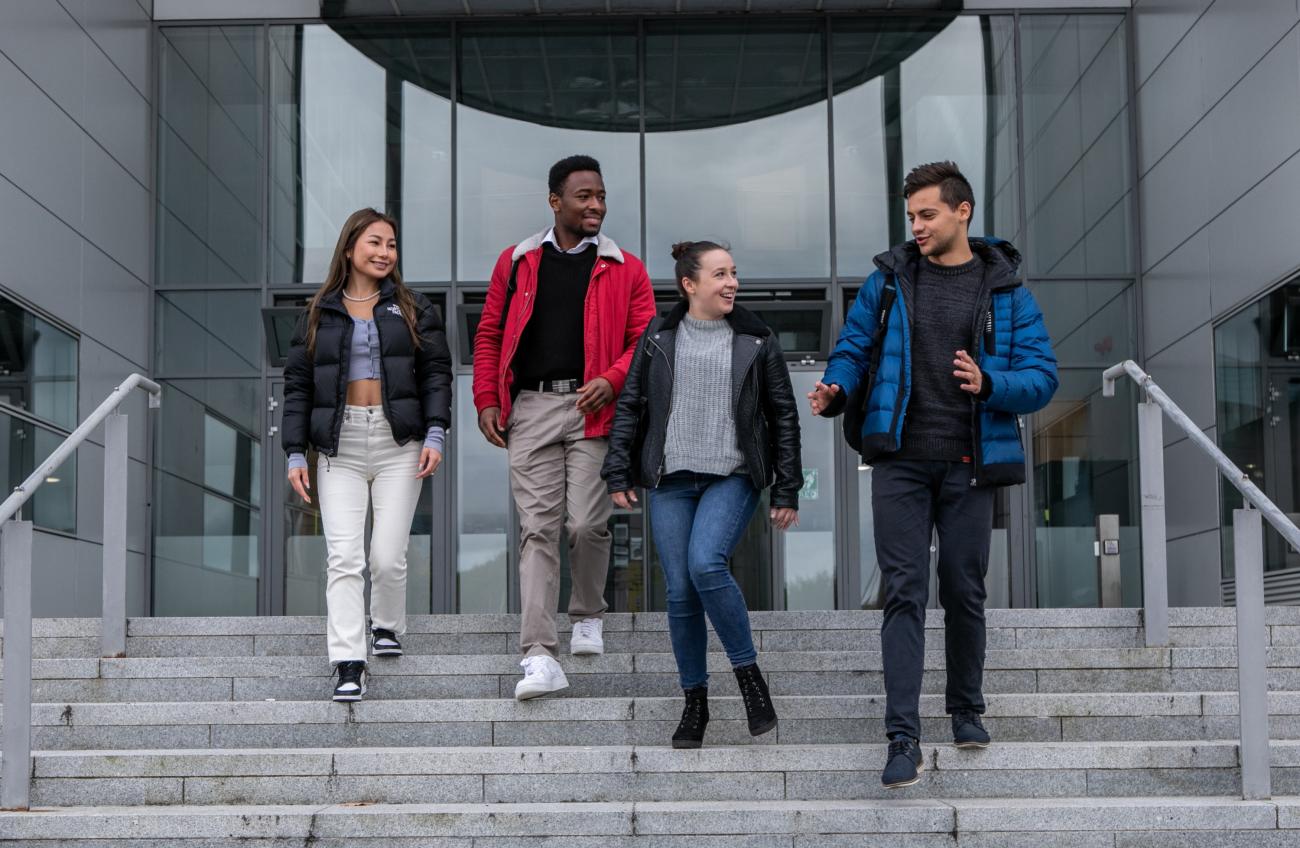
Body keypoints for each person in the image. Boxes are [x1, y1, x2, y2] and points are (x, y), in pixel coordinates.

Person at [809, 162, 1058, 788]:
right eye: (911, 216)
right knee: (904, 590)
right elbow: (855, 347)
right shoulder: (888, 282)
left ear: (962, 211)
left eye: (927, 214)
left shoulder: (1007, 292)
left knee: (964, 589)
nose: (916, 226)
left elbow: (1043, 377)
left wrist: (991, 382)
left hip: (971, 462)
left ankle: (966, 708)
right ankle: (902, 737)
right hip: (899, 460)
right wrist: (837, 386)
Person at [603, 241, 801, 748]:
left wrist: (787, 487)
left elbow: (783, 416)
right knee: (679, 591)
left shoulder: (757, 340)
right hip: (671, 480)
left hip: (732, 476)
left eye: (734, 272)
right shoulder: (659, 336)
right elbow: (632, 404)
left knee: (706, 564)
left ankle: (749, 677)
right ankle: (696, 701)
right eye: (720, 274)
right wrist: (619, 469)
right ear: (690, 285)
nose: (732, 282)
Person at [473, 155, 656, 700]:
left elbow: (645, 343)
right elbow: (488, 334)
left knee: (584, 524)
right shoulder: (518, 262)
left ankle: (587, 613)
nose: (596, 204)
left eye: (600, 195)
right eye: (584, 196)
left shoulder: (628, 268)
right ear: (555, 201)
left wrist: (614, 378)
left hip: (592, 406)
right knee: (537, 531)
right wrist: (487, 396)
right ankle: (538, 654)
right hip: (529, 409)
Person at [282, 208, 452, 702]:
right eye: (375, 242)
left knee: (386, 555)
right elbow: (297, 386)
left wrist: (436, 433)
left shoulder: (414, 307)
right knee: (343, 556)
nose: (384, 253)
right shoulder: (318, 312)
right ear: (350, 247)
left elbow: (436, 373)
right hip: (341, 445)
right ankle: (348, 662)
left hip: (400, 441)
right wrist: (296, 452)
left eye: (392, 244)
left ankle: (387, 624)